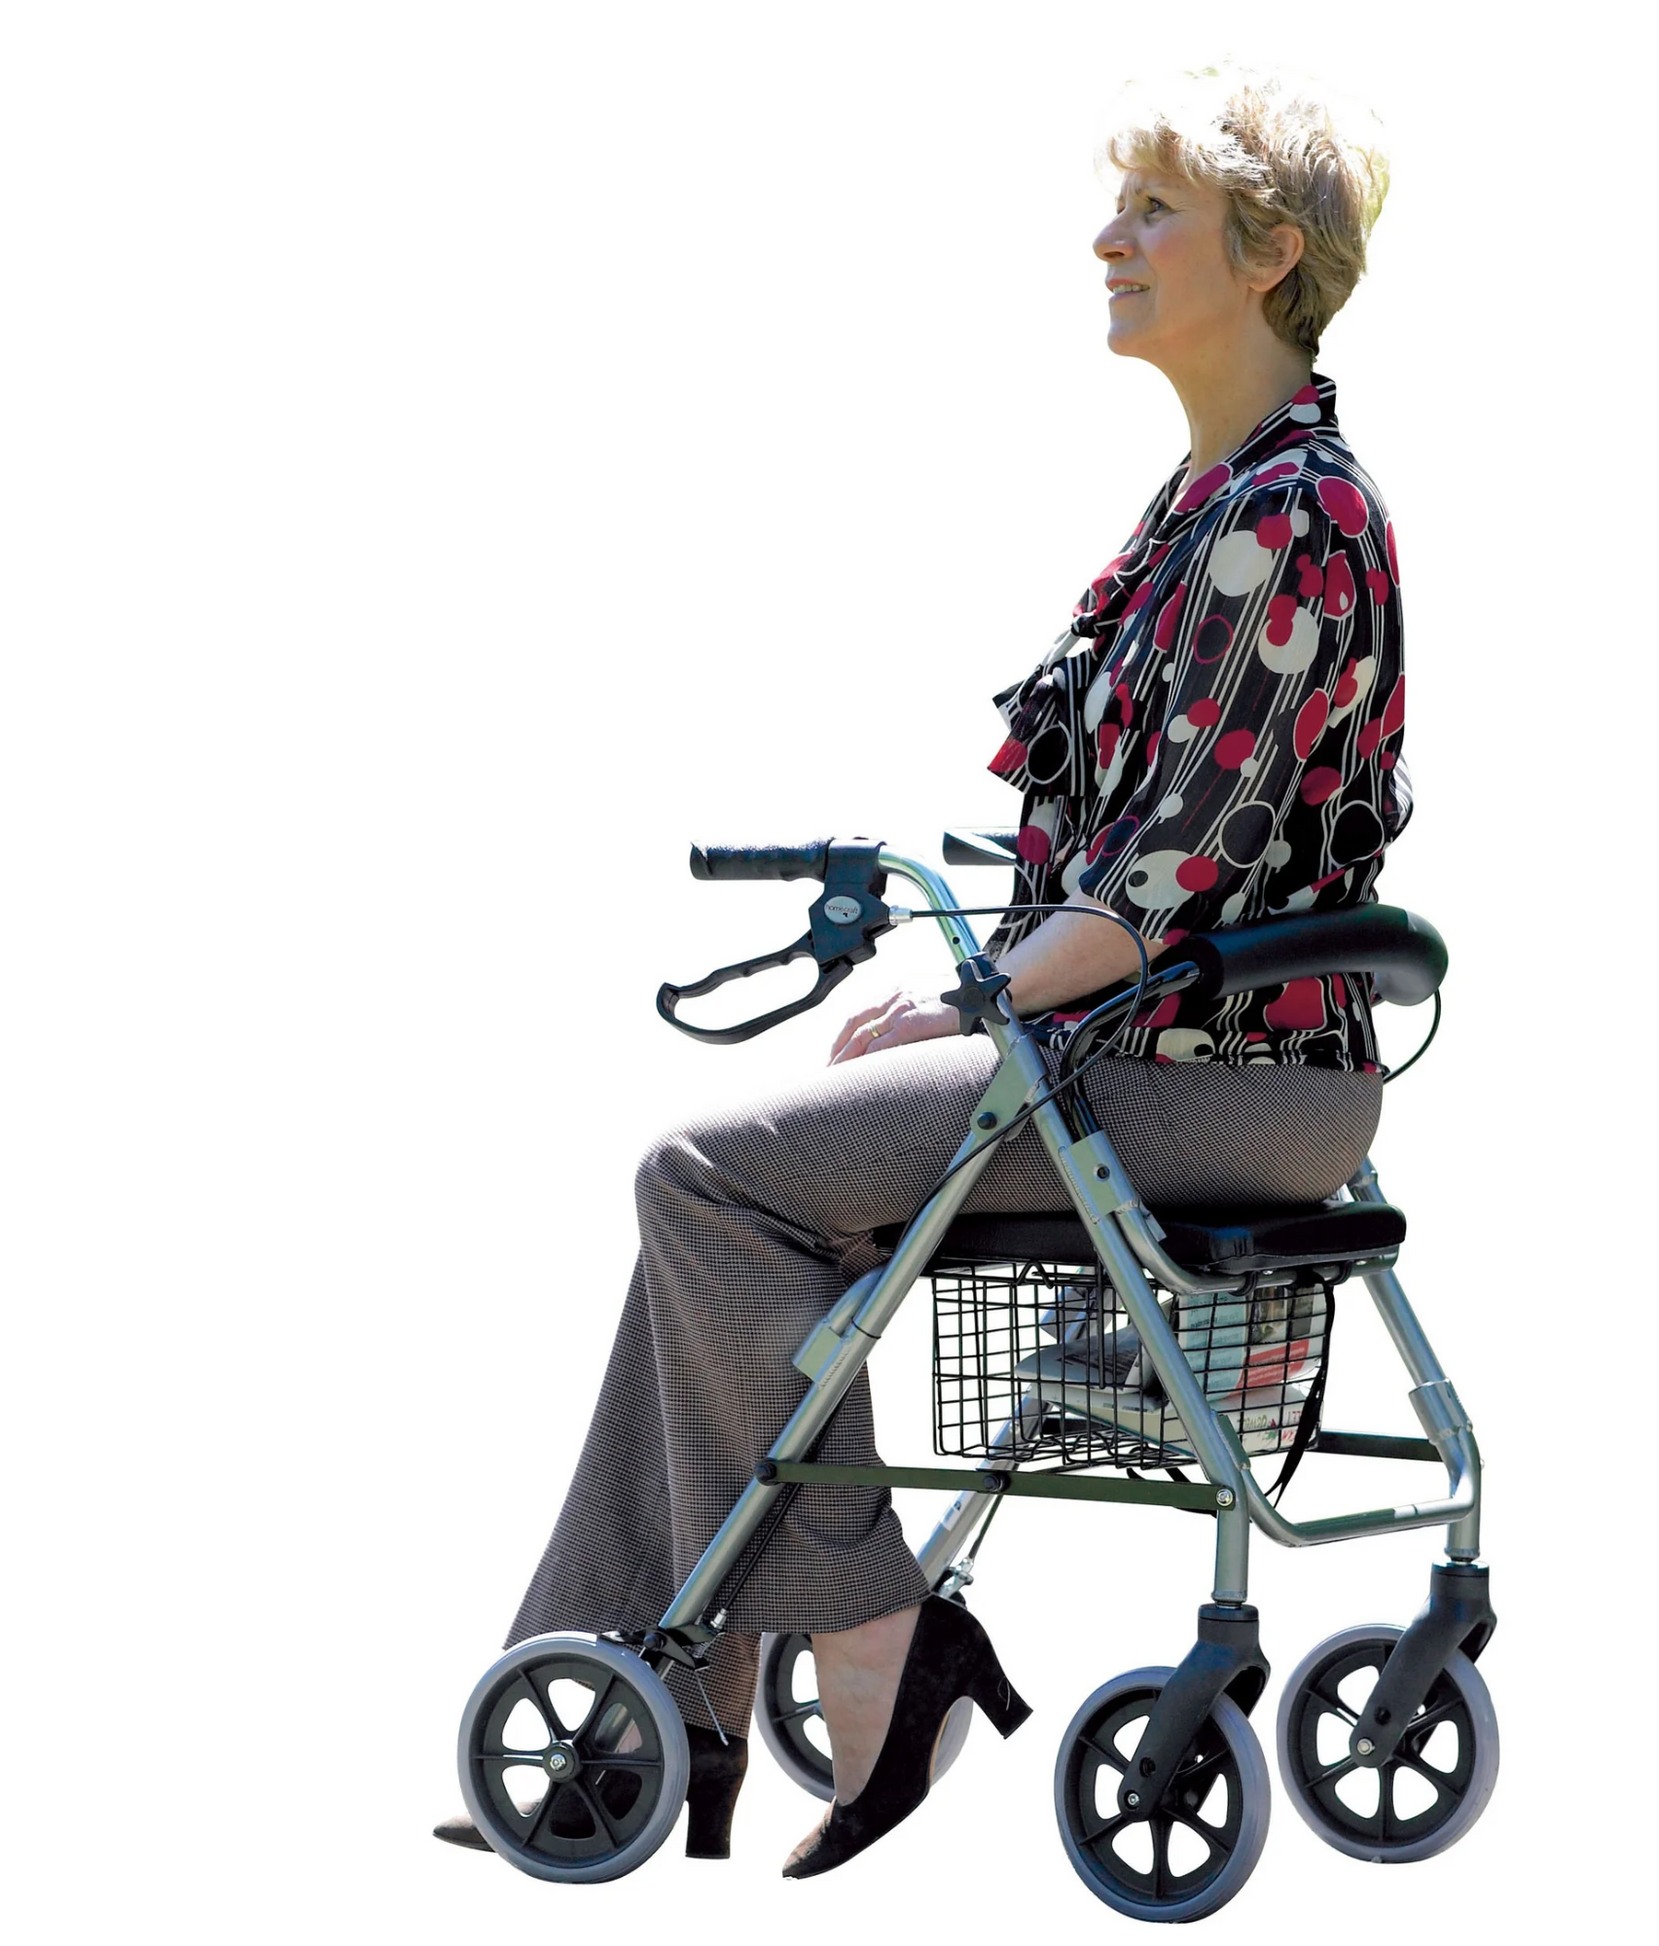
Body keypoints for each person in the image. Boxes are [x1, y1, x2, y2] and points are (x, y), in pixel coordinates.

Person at [437, 62, 1403, 1878]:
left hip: (1220, 1070)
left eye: (1153, 211)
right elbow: (1117, 857)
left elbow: (1170, 881)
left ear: (1266, 254)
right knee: (716, 1226)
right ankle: (665, 1688)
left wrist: (971, 1003)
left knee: (703, 1176)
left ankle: (871, 1634)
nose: (1108, 238)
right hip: (1153, 1051)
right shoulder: (1202, 505)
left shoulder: (1292, 518)